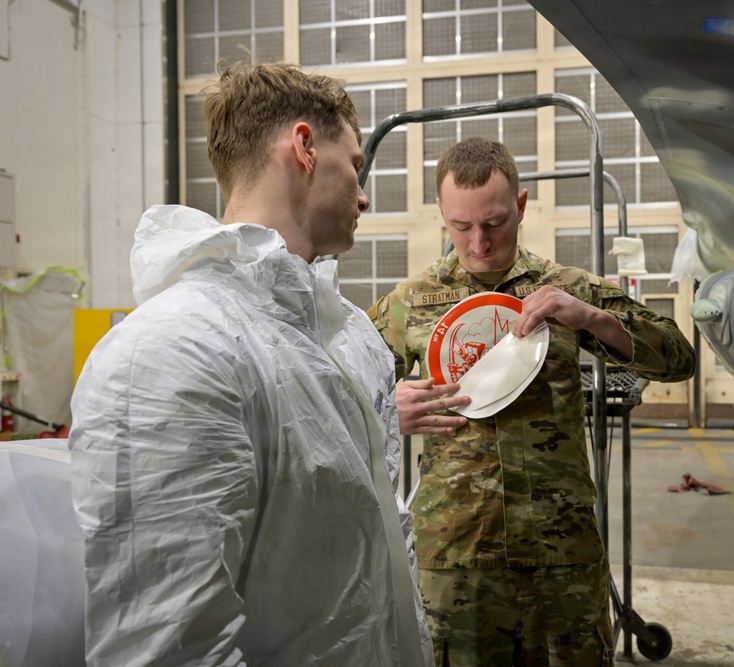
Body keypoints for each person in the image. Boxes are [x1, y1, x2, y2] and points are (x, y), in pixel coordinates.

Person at [69, 59, 432, 666]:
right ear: (304, 147)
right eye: (357, 167)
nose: (364, 196)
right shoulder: (174, 351)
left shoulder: (346, 337)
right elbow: (169, 647)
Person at [368, 136, 697, 666]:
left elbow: (679, 356)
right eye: (461, 226)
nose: (478, 243)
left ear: (520, 207)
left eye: (495, 223)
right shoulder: (409, 303)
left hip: (560, 550)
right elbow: (328, 394)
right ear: (441, 215)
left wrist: (593, 318)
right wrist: (385, 411)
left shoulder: (563, 289)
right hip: (458, 556)